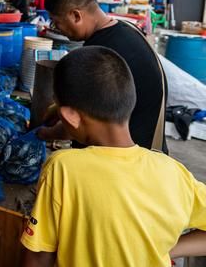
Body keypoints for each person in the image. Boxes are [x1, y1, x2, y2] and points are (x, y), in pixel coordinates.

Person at [21, 46, 206, 267]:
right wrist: (165, 249)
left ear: (70, 116)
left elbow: (38, 256)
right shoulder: (174, 172)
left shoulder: (63, 167)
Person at [38, 0, 166, 152]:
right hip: (152, 147)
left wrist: (43, 133)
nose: (56, 28)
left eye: (56, 22)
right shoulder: (127, 30)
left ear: (76, 15)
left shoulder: (99, 56)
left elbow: (78, 125)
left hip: (125, 161)